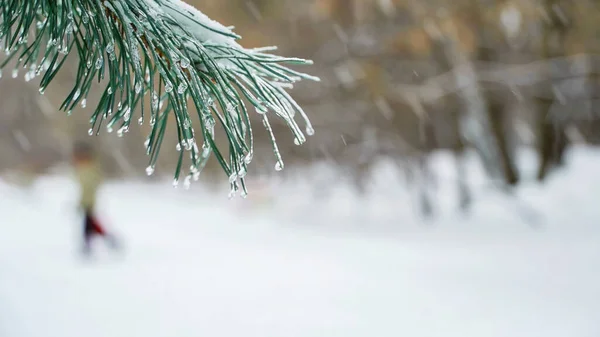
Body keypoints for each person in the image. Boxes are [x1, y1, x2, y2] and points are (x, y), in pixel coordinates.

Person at [73, 142, 119, 256]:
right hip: (86, 201)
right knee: (91, 224)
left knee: (88, 225)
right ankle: (106, 240)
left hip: (89, 202)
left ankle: (92, 244)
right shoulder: (84, 169)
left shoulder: (90, 170)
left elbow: (91, 186)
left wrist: (85, 201)